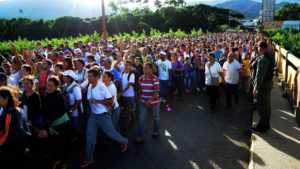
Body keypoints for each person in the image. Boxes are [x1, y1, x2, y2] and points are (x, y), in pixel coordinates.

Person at [80, 68, 128, 168]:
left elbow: (110, 100)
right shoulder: (89, 86)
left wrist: (97, 101)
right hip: (93, 116)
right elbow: (90, 99)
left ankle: (124, 141)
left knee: (112, 134)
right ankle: (89, 158)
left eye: (90, 76)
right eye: (88, 76)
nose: (88, 78)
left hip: (103, 116)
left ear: (97, 77)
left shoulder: (102, 87)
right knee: (89, 137)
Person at [38, 76, 72, 169]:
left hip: (62, 124)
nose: (48, 87)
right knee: (55, 143)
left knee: (62, 143)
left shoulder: (58, 97)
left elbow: (54, 115)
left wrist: (46, 128)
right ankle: (58, 159)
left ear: (57, 86)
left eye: (51, 86)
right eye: (47, 85)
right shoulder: (47, 94)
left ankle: (64, 162)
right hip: (53, 123)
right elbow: (46, 111)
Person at [0, 86, 30, 169]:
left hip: (14, 149)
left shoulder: (9, 113)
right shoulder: (16, 109)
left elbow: (7, 134)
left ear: (6, 99)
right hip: (20, 147)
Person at [252, 41, 275, 132]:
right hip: (267, 84)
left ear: (261, 48)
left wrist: (256, 88)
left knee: (262, 106)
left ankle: (262, 126)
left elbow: (259, 75)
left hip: (263, 86)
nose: (257, 49)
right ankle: (266, 123)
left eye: (258, 47)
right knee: (267, 105)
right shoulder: (269, 55)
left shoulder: (264, 59)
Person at [136, 62, 160, 143]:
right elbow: (140, 89)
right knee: (141, 120)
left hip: (154, 103)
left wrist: (150, 100)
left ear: (151, 69)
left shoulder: (155, 78)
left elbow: (156, 91)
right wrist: (139, 100)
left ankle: (155, 131)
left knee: (156, 117)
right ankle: (141, 136)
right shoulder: (141, 78)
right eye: (144, 68)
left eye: (146, 68)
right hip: (144, 102)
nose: (144, 70)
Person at [61, 70, 84, 138]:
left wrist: (71, 110)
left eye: (64, 76)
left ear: (70, 78)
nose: (63, 77)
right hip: (68, 111)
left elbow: (79, 100)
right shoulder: (65, 85)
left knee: (78, 127)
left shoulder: (76, 87)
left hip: (76, 112)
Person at [118, 60, 136, 136]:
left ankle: (125, 128)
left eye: (128, 65)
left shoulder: (132, 74)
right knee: (128, 109)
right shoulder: (123, 73)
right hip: (124, 96)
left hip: (129, 96)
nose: (126, 66)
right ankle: (134, 119)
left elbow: (129, 85)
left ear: (130, 66)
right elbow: (121, 82)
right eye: (125, 65)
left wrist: (121, 93)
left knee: (126, 112)